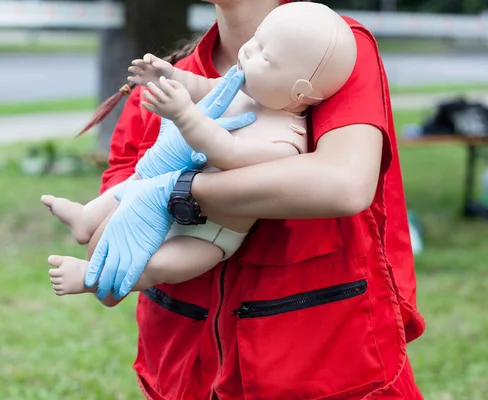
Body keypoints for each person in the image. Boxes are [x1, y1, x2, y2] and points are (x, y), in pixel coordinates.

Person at [50, 0, 427, 398]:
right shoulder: (166, 87)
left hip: (324, 371)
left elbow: (342, 185)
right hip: (185, 372)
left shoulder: (330, 49)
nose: (253, 56)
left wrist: (176, 191)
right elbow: (106, 249)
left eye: (265, 52)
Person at [43, 2, 357, 300]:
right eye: (257, 40)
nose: (248, 51)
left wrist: (184, 116)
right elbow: (203, 87)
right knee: (138, 181)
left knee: (164, 265)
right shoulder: (247, 90)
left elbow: (228, 153)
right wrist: (171, 77)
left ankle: (89, 277)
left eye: (265, 56)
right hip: (177, 191)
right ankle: (87, 217)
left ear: (299, 90)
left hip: (212, 232)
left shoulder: (287, 140)